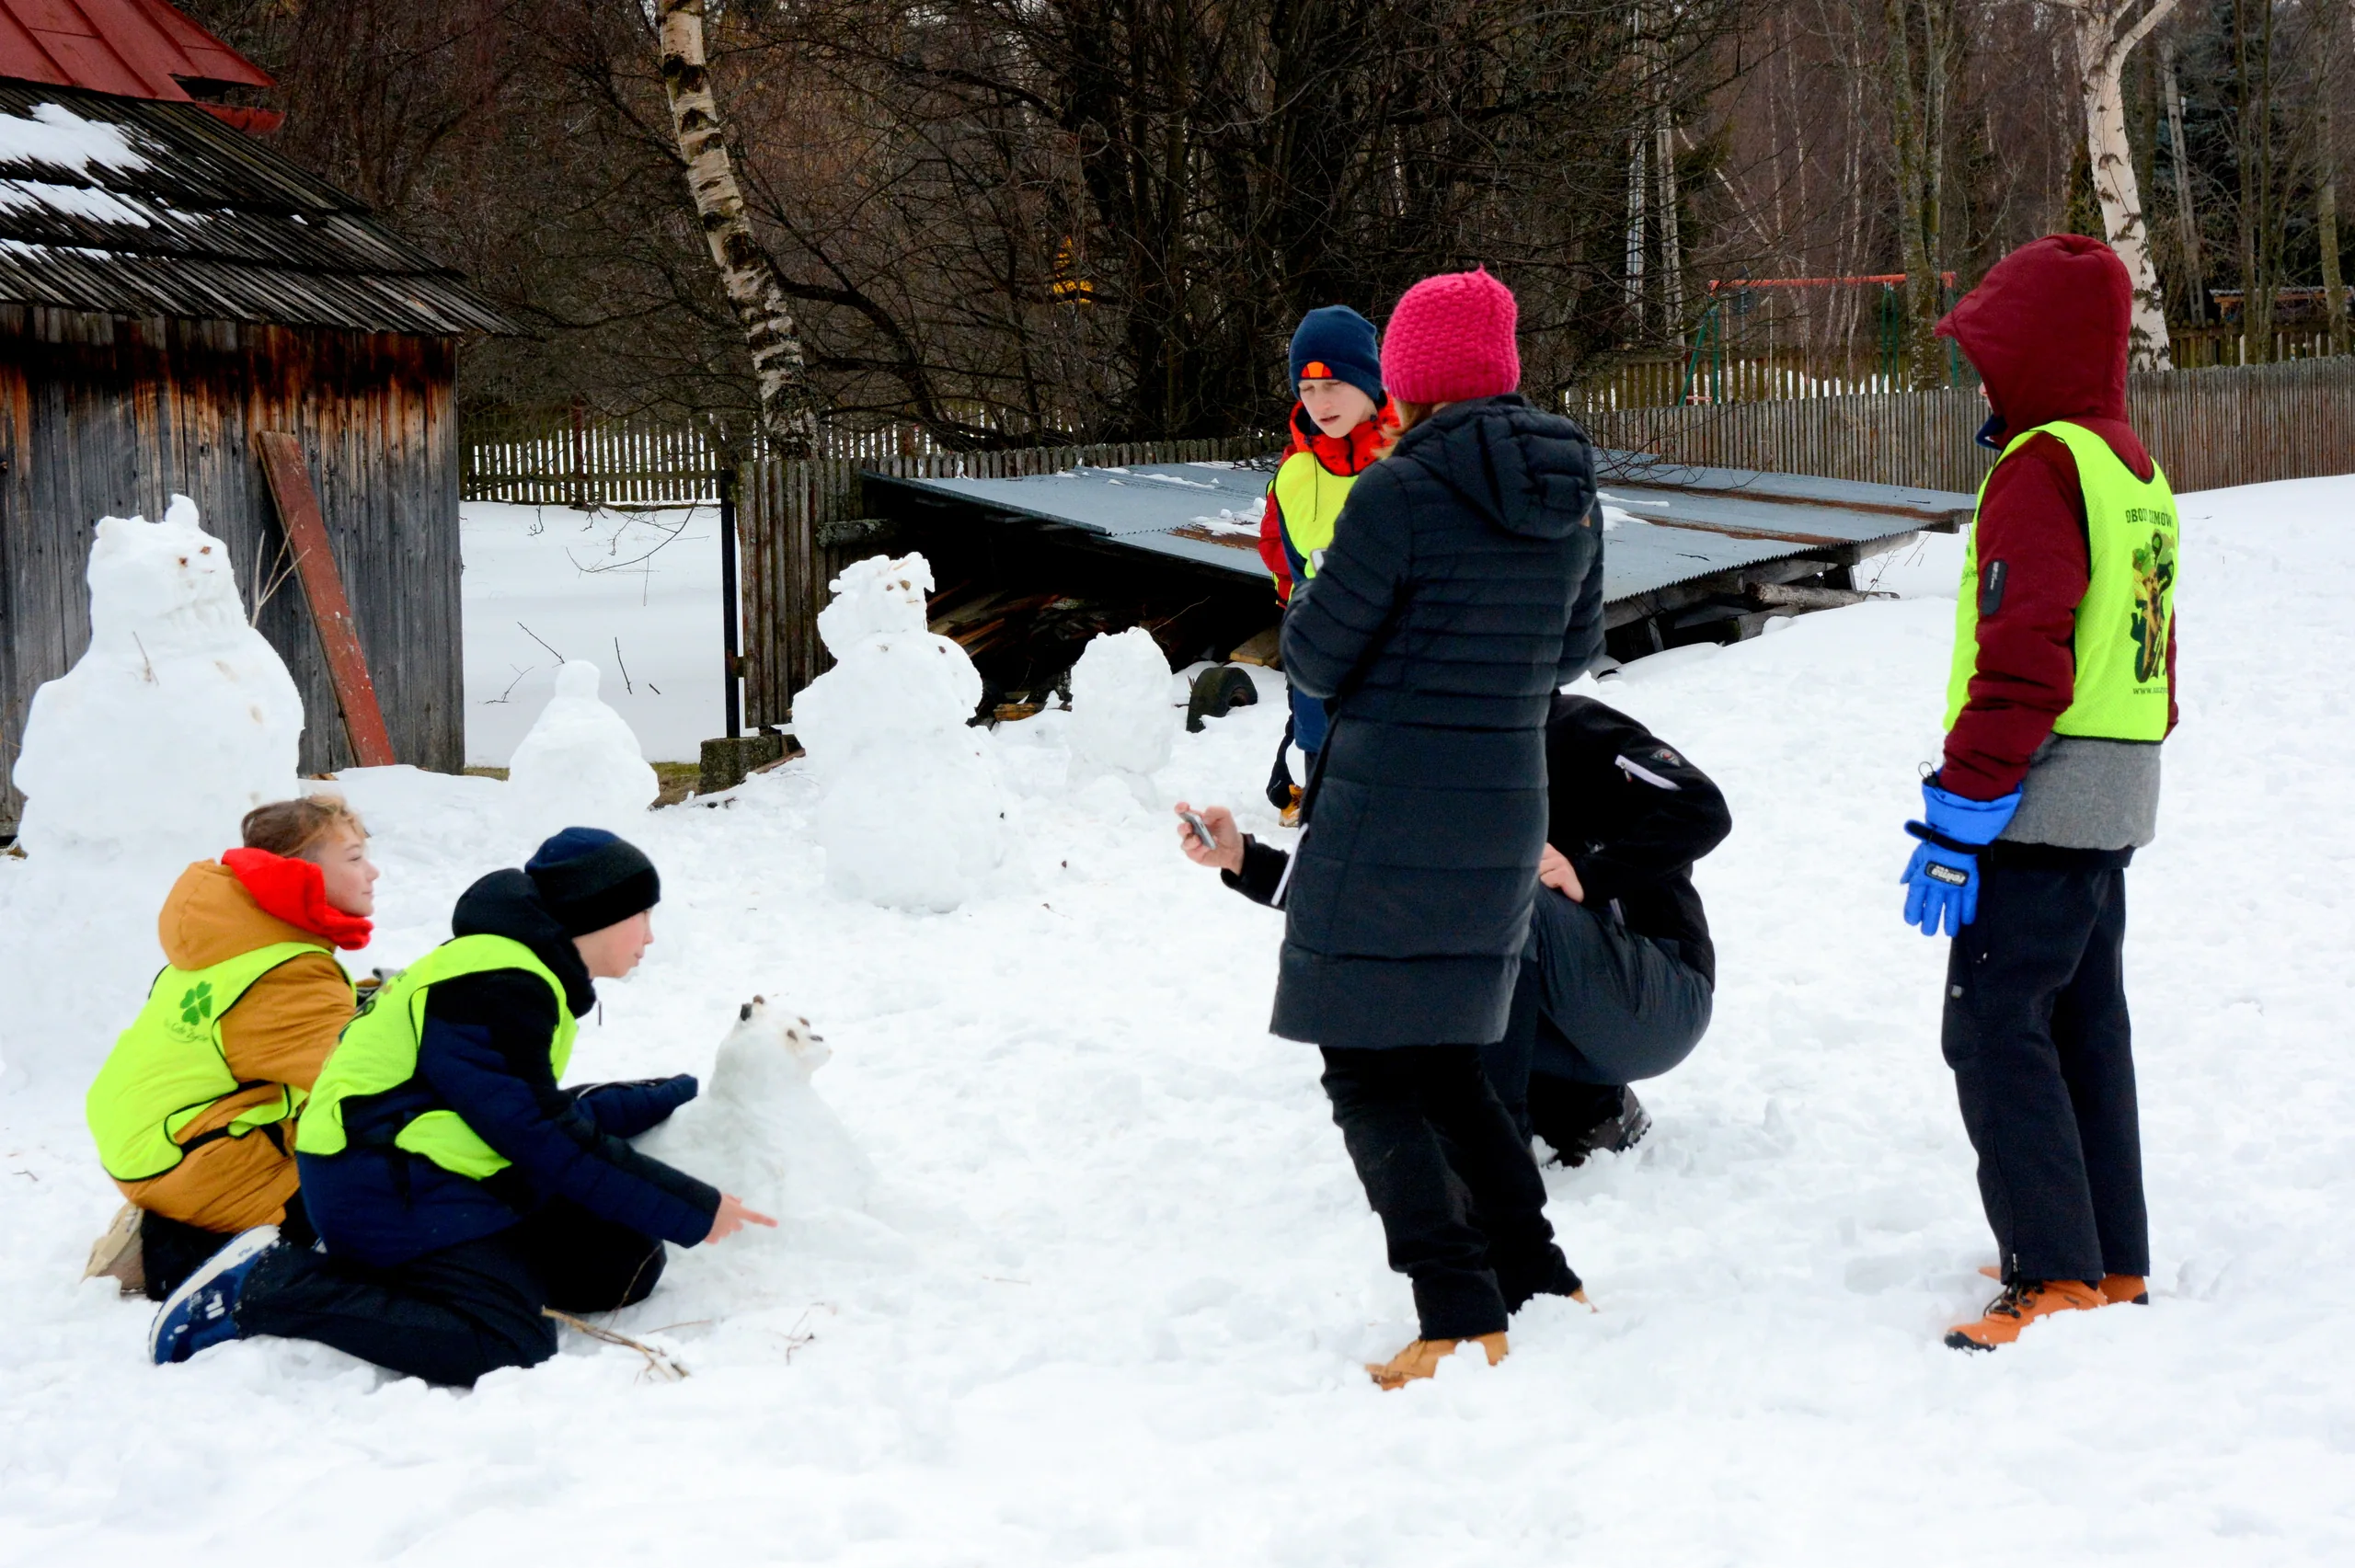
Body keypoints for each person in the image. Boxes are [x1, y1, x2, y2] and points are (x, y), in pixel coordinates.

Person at [1206, 267, 1606, 1390]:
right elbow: (1574, 652)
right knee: (1443, 1056)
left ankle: (1454, 1312)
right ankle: (1534, 1272)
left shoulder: (1397, 491)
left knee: (1370, 1067)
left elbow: (1318, 653)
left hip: (1387, 811)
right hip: (1504, 806)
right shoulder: (1569, 488)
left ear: (1414, 376)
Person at [145, 828, 775, 1382]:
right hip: (379, 1181)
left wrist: (669, 1094)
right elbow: (538, 1132)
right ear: (597, 915)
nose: (651, 935)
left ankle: (468, 1275)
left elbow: (521, 1107)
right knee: (508, 1342)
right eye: (641, 914)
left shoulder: (519, 969)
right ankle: (268, 1287)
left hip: (439, 1171)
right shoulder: (495, 982)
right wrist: (695, 1207)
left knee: (622, 1263)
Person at [1900, 235, 2178, 1352]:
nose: (1979, 377)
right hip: (2115, 788)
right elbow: (2149, 641)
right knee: (2083, 1020)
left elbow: (2024, 650)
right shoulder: (2129, 465)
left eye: (1987, 353)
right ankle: (2108, 1255)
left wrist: (1962, 812)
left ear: (2035, 354)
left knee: (1994, 1026)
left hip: (2041, 789)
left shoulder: (2039, 466)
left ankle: (2049, 1271)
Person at [83, 795, 378, 1300]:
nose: (372, 872)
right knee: (385, 1190)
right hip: (189, 1159)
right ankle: (174, 1250)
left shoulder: (241, 934)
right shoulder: (286, 971)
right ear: (300, 874)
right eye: (353, 858)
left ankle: (187, 1212)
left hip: (155, 1139)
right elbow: (370, 1081)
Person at [1477, 694, 1730, 1164]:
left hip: (1663, 994)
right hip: (1571, 1021)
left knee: (1501, 889)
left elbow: (1703, 807)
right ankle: (1584, 1110)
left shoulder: (1568, 726)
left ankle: (1495, 1149)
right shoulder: (1441, 762)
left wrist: (1590, 873)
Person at [1257, 304, 1393, 821]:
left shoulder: (1410, 460)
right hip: (1321, 664)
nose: (1320, 402)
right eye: (1307, 389)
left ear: (1368, 381)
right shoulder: (1293, 476)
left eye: (1333, 384)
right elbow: (1283, 563)